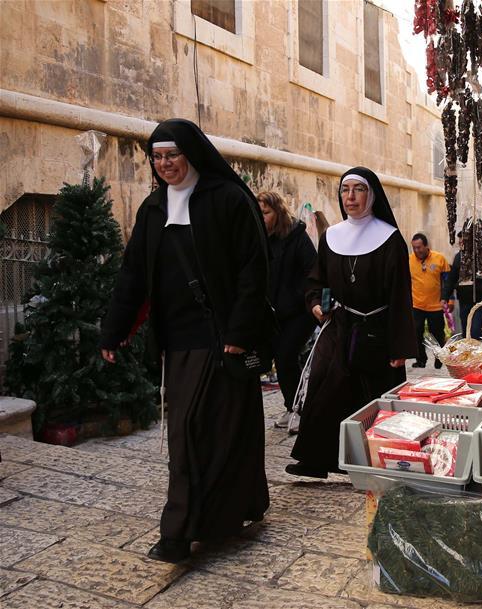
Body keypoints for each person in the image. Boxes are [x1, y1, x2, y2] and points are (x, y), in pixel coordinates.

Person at [99, 118, 270, 563]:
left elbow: (254, 270)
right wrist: (113, 330)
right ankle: (219, 515)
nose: (164, 164)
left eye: (171, 155)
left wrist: (240, 332)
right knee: (192, 432)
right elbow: (132, 274)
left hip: (221, 338)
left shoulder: (229, 200)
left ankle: (182, 531)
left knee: (208, 429)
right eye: (157, 158)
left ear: (191, 153)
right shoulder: (153, 209)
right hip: (177, 342)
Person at [285, 167, 417, 479]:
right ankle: (316, 459)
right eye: (346, 190)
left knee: (372, 396)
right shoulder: (331, 237)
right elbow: (317, 280)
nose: (350, 197)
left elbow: (400, 295)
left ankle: (376, 460)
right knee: (325, 390)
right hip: (340, 327)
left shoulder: (389, 239)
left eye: (358, 190)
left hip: (377, 328)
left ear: (371, 195)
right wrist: (317, 304)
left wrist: (400, 346)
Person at [257, 191, 317, 428]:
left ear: (278, 212)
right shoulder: (259, 238)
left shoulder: (297, 236)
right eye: (259, 213)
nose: (261, 217)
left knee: (285, 357)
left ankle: (299, 409)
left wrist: (295, 297)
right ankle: (294, 406)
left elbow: (312, 271)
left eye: (266, 212)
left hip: (299, 313)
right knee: (279, 360)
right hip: (273, 314)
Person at [409, 232, 453, 368]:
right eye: (414, 248)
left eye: (419, 247)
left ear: (426, 246)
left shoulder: (439, 259)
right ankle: (420, 359)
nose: (417, 250)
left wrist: (449, 299)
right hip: (417, 304)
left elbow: (448, 282)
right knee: (416, 333)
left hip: (436, 306)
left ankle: (438, 358)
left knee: (437, 334)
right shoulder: (409, 260)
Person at [442, 250, 482, 340]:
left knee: (475, 331)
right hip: (464, 301)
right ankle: (469, 353)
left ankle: (477, 352)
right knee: (466, 333)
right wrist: (444, 297)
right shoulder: (459, 257)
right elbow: (451, 279)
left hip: (481, 302)